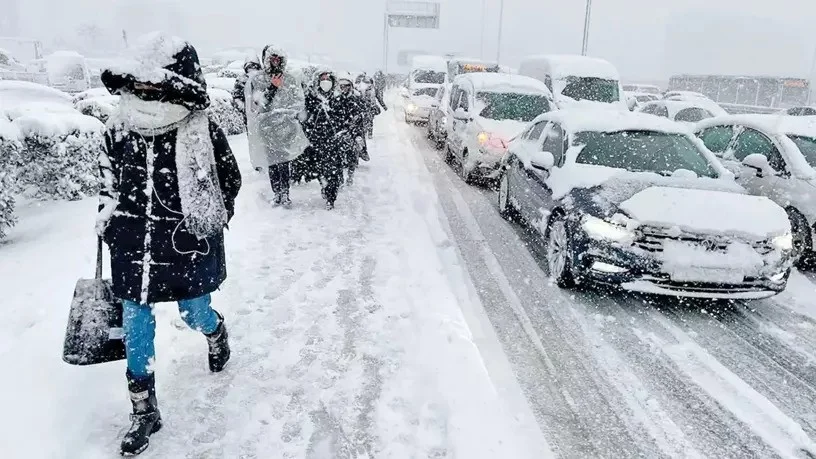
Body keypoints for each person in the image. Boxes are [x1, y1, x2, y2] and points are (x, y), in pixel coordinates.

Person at [97, 32, 242, 457]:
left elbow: (227, 181)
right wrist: (108, 218)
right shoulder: (119, 126)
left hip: (184, 244)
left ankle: (215, 332)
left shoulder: (200, 128)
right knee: (136, 324)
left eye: (152, 85)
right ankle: (143, 411)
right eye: (137, 85)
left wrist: (207, 222)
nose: (143, 92)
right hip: (132, 244)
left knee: (193, 312)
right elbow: (107, 180)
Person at [244, 45, 309, 207]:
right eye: (272, 59)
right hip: (267, 128)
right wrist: (272, 88)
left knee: (284, 162)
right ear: (266, 60)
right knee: (272, 162)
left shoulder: (290, 79)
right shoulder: (258, 80)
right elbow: (257, 105)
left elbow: (298, 102)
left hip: (286, 128)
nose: (275, 62)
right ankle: (277, 193)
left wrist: (288, 116)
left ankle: (285, 193)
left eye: (278, 59)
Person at [303, 69, 344, 210]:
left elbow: (343, 118)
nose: (325, 82)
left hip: (333, 141)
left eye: (328, 79)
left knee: (333, 171)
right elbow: (305, 118)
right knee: (319, 170)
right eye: (322, 79)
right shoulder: (311, 97)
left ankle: (331, 197)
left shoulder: (338, 98)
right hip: (316, 141)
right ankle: (324, 186)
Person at [334, 72, 368, 180]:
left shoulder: (356, 97)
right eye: (342, 85)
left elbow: (363, 111)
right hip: (339, 129)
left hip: (353, 129)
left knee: (353, 153)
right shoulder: (334, 99)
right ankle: (340, 178)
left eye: (347, 85)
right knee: (336, 155)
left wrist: (358, 120)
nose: (344, 88)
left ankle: (350, 175)